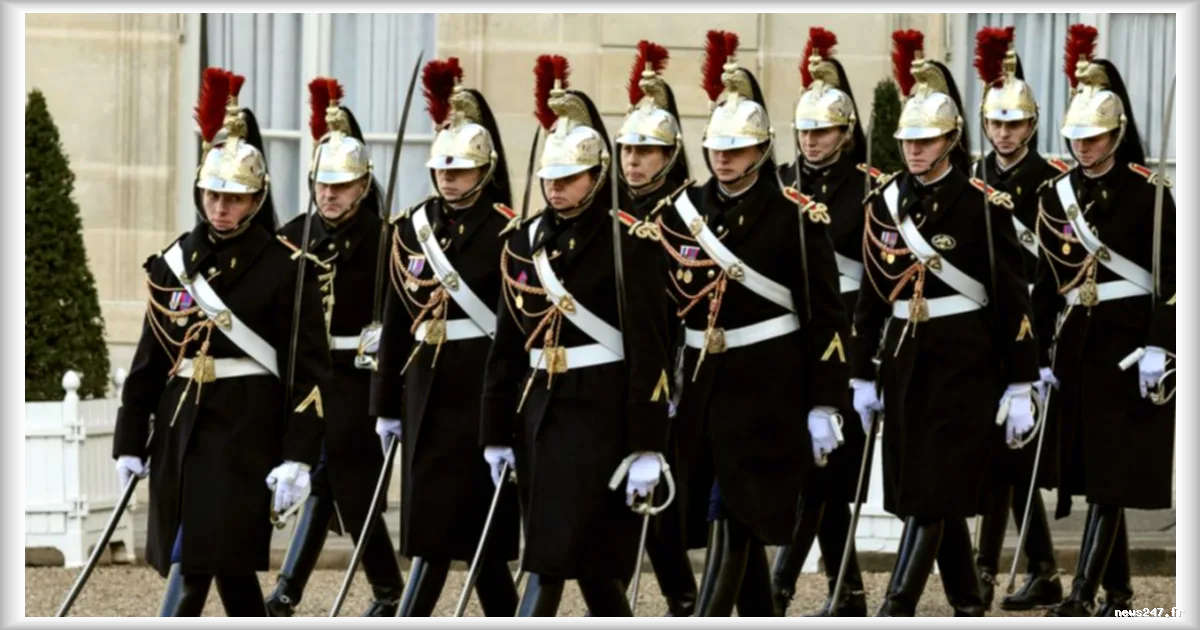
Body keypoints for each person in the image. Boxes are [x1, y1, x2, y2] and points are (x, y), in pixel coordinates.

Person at [112, 66, 331, 617]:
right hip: (181, 434)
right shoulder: (173, 263)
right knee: (229, 573)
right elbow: (150, 359)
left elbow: (309, 372)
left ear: (256, 199)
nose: (220, 207)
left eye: (233, 197)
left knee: (198, 564)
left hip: (243, 440)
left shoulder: (288, 268)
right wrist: (128, 438)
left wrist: (298, 457)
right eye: (212, 194)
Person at [649, 30, 850, 618]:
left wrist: (824, 401)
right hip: (702, 391)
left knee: (731, 515)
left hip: (768, 393)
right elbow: (665, 310)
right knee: (723, 510)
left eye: (736, 148)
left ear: (761, 150)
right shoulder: (683, 215)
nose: (723, 157)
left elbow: (827, 320)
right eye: (716, 147)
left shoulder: (795, 218)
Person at [851, 31, 1041, 617]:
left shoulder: (983, 206)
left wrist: (1020, 382)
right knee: (925, 488)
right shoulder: (884, 204)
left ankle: (897, 604)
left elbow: (1013, 303)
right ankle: (966, 601)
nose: (914, 149)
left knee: (932, 490)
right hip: (907, 360)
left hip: (966, 363)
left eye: (927, 139)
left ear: (952, 139)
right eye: (908, 139)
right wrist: (861, 374)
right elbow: (871, 296)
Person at [479, 53, 672, 617]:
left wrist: (647, 442)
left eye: (569, 179)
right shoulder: (521, 243)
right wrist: (495, 430)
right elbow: (507, 344)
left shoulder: (627, 240)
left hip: (600, 415)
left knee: (552, 554)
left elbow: (650, 348)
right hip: (539, 411)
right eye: (550, 179)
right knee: (586, 564)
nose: (556, 189)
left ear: (596, 177)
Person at [369, 57, 521, 617]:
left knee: (482, 544)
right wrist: (385, 404)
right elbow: (394, 322)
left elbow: (513, 329)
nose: (447, 178)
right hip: (425, 393)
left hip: (479, 391)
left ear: (483, 171)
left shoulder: (508, 231)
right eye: (441, 169)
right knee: (431, 534)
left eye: (459, 170)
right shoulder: (412, 228)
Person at [1035, 24, 1176, 617]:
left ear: (1116, 133)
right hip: (1078, 349)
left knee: (1115, 472)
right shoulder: (1053, 195)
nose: (1084, 147)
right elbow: (1044, 284)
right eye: (1077, 137)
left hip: (1128, 350)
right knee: (1096, 475)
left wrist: (1161, 345)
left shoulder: (1150, 194)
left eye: (1094, 137)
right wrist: (1037, 357)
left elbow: (1174, 281)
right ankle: (1121, 594)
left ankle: (1082, 594)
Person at [265, 77, 404, 617]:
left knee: (347, 479)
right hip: (308, 378)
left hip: (356, 374)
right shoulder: (294, 237)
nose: (330, 194)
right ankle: (375, 589)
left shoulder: (386, 238)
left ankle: (296, 590)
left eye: (342, 186)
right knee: (329, 479)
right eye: (323, 184)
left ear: (362, 185)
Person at [769, 26, 881, 618]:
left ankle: (782, 586)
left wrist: (867, 364)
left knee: (824, 474)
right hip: (791, 343)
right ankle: (850, 595)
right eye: (806, 131)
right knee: (817, 474)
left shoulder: (870, 191)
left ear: (847, 133)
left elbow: (876, 284)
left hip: (847, 342)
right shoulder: (782, 186)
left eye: (824, 131)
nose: (812, 141)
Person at [969, 26, 1069, 613]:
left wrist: (1049, 345)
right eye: (996, 123)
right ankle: (1039, 571)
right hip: (978, 330)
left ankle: (992, 570)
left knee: (1018, 452)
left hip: (1032, 328)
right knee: (992, 451)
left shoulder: (1052, 185)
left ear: (1031, 127)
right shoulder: (970, 177)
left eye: (1015, 124)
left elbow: (1062, 268)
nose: (1004, 133)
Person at [612, 39, 698, 618]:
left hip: (674, 364)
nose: (635, 161)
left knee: (662, 493)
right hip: (611, 361)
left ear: (669, 155)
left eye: (647, 151)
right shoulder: (607, 209)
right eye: (628, 150)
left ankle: (683, 596)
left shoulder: (687, 212)